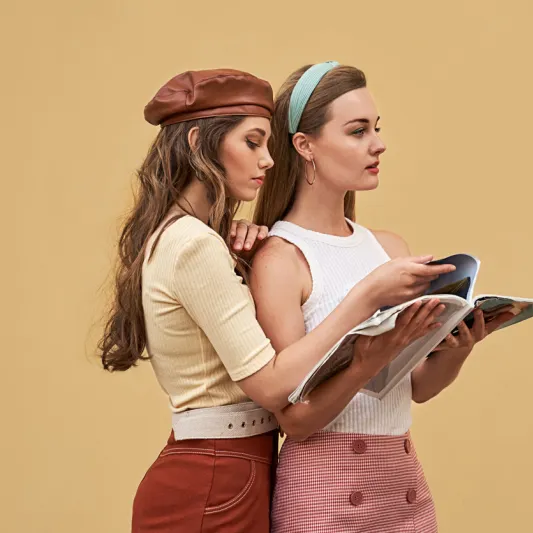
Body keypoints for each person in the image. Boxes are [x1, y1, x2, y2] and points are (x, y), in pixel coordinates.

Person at [98, 68, 455, 533]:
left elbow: (414, 386)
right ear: (194, 142)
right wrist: (365, 300)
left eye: (267, 143)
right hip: (218, 475)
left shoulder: (200, 240)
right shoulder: (197, 244)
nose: (268, 160)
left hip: (236, 469)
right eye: (252, 142)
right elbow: (272, 389)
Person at [251, 61, 514, 533]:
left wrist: (459, 348)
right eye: (357, 131)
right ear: (304, 146)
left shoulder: (389, 249)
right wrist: (367, 357)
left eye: (376, 128)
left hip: (402, 480)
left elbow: (416, 388)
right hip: (323, 489)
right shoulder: (281, 259)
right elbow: (296, 421)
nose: (378, 143)